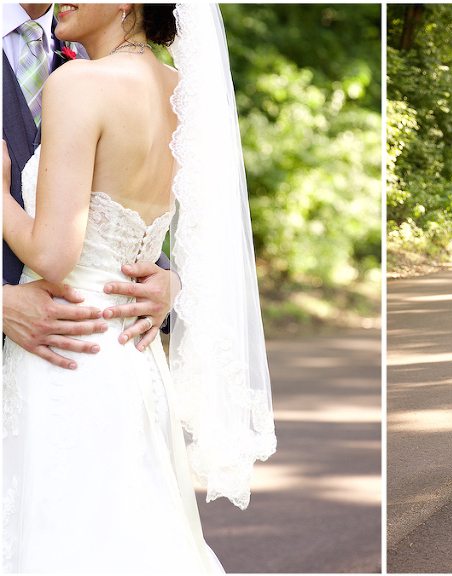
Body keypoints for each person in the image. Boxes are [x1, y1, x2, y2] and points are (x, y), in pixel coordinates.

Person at [2, 4, 276, 572]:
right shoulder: (182, 93)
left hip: (65, 351)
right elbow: (172, 228)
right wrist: (173, 277)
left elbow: (54, 254)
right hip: (131, 356)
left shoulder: (77, 82)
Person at [2, 2, 177, 370]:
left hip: (71, 359)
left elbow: (66, 246)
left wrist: (171, 283)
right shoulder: (177, 90)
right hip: (130, 360)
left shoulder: (83, 69)